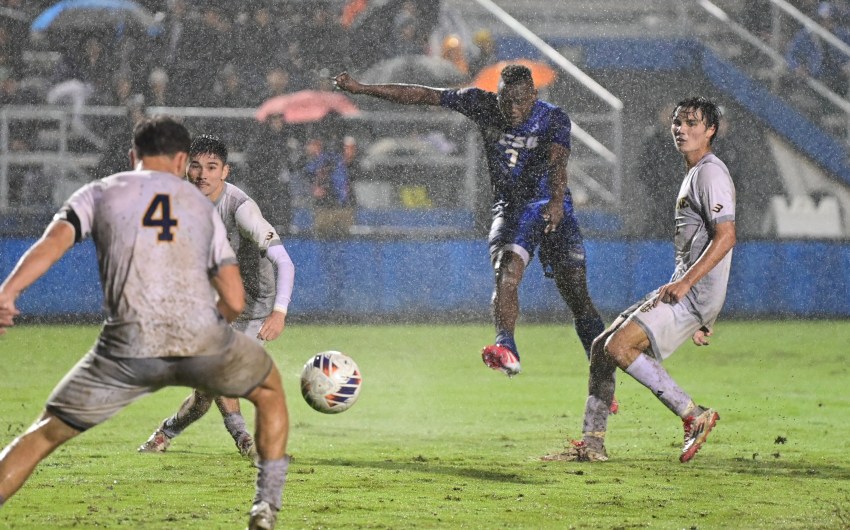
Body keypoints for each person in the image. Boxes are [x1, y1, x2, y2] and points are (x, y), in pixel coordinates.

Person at [0, 117, 290, 529]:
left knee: (43, 434)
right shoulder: (199, 208)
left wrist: (8, 293)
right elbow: (234, 297)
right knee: (270, 392)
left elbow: (52, 244)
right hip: (195, 334)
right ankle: (265, 505)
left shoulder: (99, 193)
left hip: (126, 343)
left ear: (132, 155)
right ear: (179, 161)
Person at [333, 65, 606, 379]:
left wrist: (558, 201)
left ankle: (602, 375)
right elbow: (423, 95)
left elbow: (558, 162)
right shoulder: (482, 103)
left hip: (549, 206)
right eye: (506, 100)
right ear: (497, 94)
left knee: (578, 296)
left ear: (533, 95)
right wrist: (364, 88)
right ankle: (506, 348)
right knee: (507, 269)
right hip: (511, 209)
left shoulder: (553, 117)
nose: (512, 109)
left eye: (520, 101)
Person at [545, 97, 736, 464]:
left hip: (691, 291)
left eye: (692, 123)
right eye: (677, 122)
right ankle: (592, 445)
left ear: (710, 130)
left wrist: (690, 295)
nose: (682, 129)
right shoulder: (696, 171)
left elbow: (726, 236)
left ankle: (693, 415)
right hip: (690, 291)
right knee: (602, 347)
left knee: (619, 348)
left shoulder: (711, 172)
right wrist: (703, 315)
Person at [138, 134, 295, 459]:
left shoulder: (241, 208)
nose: (202, 174)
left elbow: (285, 262)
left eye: (212, 167)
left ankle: (242, 441)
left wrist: (279, 312)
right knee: (206, 390)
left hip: (253, 306)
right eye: (195, 166)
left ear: (225, 171)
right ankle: (169, 434)